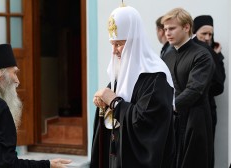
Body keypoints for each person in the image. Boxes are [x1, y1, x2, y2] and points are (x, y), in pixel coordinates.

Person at [90, 5, 175, 168]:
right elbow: (110, 104)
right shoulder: (121, 71)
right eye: (112, 44)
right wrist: (102, 102)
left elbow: (146, 124)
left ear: (134, 42)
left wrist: (114, 102)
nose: (114, 51)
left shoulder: (156, 76)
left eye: (119, 44)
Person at [161, 8, 215, 168]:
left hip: (195, 120)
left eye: (172, 28)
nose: (167, 33)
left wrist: (170, 107)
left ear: (186, 27)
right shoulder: (167, 56)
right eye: (165, 29)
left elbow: (195, 89)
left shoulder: (202, 55)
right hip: (172, 121)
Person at [193, 15, 226, 139]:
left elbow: (219, 83)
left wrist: (216, 57)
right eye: (204, 33)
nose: (207, 38)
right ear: (195, 33)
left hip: (207, 108)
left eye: (210, 34)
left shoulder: (214, 53)